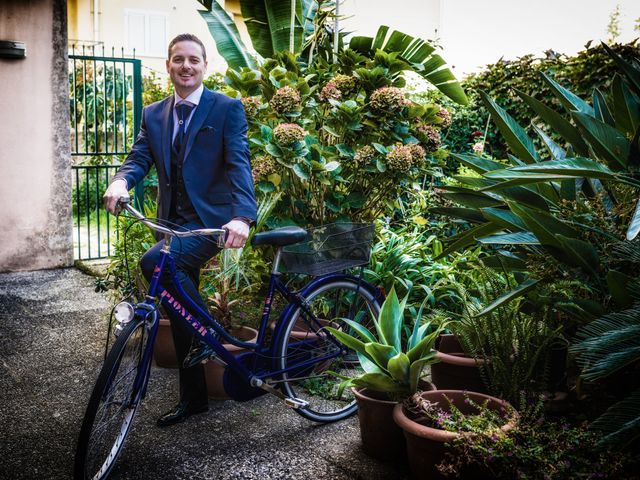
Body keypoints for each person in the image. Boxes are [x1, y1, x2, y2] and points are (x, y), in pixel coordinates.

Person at [103, 33, 256, 427]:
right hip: (168, 222)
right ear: (168, 65)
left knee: (153, 265)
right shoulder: (153, 113)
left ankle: (212, 336)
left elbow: (238, 163)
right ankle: (194, 398)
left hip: (208, 223)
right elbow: (140, 157)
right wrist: (122, 182)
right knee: (179, 304)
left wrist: (242, 216)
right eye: (178, 60)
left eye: (193, 60)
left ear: (205, 66)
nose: (186, 66)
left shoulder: (226, 109)